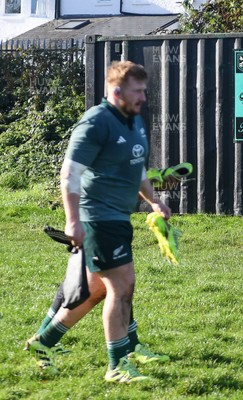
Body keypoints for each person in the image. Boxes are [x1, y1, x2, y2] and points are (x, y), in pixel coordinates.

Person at [26, 61, 171, 383]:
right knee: (122, 285)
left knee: (93, 292)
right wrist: (73, 221)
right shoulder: (96, 123)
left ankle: (43, 342)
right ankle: (118, 365)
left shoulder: (133, 122)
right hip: (98, 218)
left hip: (118, 218)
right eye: (138, 91)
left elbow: (138, 169)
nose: (144, 97)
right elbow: (69, 174)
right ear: (117, 91)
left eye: (145, 91)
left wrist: (154, 201)